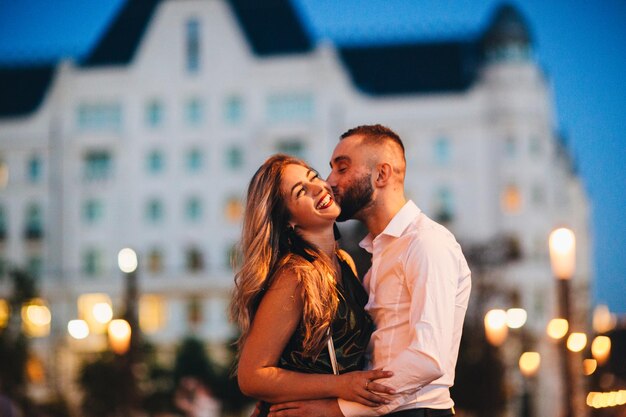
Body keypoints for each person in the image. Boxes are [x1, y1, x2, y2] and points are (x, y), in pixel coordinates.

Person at [267, 125, 472, 417]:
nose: (330, 181)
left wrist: (338, 409)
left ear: (381, 175)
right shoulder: (377, 254)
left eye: (342, 168)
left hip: (418, 411)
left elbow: (428, 358)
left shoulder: (426, 242)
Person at [230, 154, 395, 417]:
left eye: (314, 176)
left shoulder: (344, 262)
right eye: (301, 192)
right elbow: (251, 376)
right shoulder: (295, 275)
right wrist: (341, 385)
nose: (319, 187)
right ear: (288, 220)